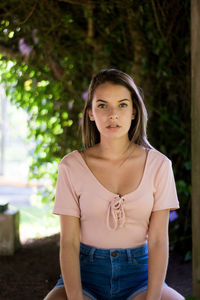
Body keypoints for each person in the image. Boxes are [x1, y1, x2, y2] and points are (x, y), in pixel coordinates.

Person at [44, 69, 184, 300]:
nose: (113, 114)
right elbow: (68, 242)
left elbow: (158, 240)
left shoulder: (159, 165)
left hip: (139, 277)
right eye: (102, 105)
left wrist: (152, 297)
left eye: (122, 105)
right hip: (85, 274)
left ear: (133, 111)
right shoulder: (71, 166)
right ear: (90, 113)